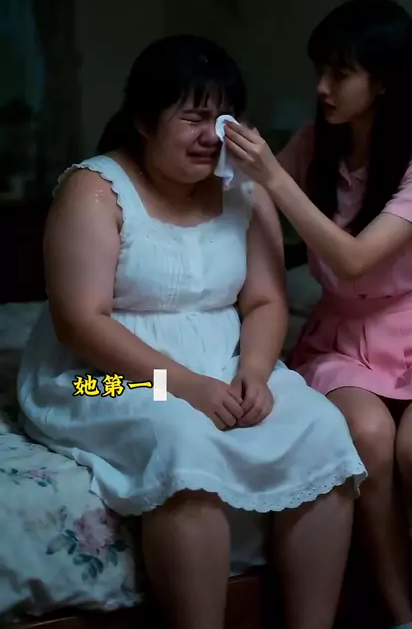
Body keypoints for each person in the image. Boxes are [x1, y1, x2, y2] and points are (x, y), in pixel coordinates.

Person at [18, 35, 366, 629]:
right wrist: (185, 386)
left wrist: (254, 372)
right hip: (99, 379)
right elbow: (79, 321)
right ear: (143, 120)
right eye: (194, 118)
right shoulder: (94, 189)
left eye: (224, 117)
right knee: (180, 436)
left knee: (321, 426)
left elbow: (265, 300)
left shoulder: (243, 189)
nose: (213, 136)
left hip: (223, 365)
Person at [224, 0, 412, 629]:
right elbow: (248, 200)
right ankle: (401, 617)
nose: (321, 87)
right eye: (320, 69)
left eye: (339, 73)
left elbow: (356, 258)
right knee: (367, 440)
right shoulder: (315, 144)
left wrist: (275, 180)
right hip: (340, 336)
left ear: (384, 80)